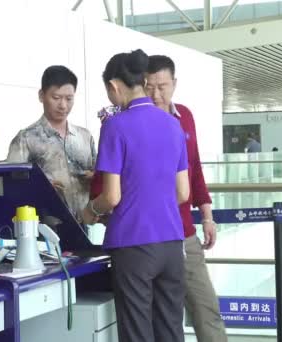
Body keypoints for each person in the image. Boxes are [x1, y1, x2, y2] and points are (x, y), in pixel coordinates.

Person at [81, 49, 189, 342]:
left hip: (133, 244)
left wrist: (89, 210)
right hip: (172, 243)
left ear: (114, 86)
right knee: (170, 329)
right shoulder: (173, 124)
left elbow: (111, 197)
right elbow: (183, 192)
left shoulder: (116, 126)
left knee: (137, 332)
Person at [144, 54, 227, 341]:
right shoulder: (136, 123)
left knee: (207, 308)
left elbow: (195, 169)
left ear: (174, 84)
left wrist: (207, 215)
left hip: (185, 232)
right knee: (166, 318)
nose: (156, 94)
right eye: (149, 86)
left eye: (162, 86)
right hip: (153, 235)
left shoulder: (185, 117)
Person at [7, 66, 96, 217]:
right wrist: (41, 186)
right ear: (41, 96)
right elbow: (11, 184)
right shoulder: (26, 138)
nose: (63, 105)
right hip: (46, 225)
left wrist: (95, 176)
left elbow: (100, 174)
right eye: (56, 98)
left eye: (69, 99)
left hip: (86, 222)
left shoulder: (85, 136)